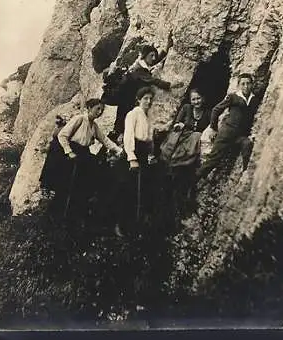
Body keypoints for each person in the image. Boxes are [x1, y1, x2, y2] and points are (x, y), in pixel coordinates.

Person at [39, 98, 122, 217]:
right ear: (89, 108)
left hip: (83, 152)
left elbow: (104, 140)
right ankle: (58, 213)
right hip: (70, 151)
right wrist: (69, 152)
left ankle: (86, 203)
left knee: (94, 171)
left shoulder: (94, 126)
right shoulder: (80, 119)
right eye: (97, 108)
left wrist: (119, 150)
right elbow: (62, 135)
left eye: (101, 110)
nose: (99, 112)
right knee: (65, 184)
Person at [197, 73, 259, 183]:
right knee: (213, 160)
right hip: (226, 133)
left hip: (239, 135)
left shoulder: (254, 99)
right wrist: (213, 128)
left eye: (248, 83)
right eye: (243, 84)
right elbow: (216, 110)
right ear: (239, 85)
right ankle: (192, 183)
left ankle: (245, 174)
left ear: (252, 85)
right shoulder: (233, 97)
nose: (246, 86)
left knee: (247, 144)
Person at [160, 89, 211, 221]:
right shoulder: (187, 108)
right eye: (194, 99)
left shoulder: (208, 113)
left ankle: (183, 209)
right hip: (181, 139)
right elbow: (176, 122)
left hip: (193, 144)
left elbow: (209, 129)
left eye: (198, 98)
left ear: (203, 98)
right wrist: (180, 125)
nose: (196, 101)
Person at [116, 86, 156, 234]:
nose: (149, 101)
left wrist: (151, 155)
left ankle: (137, 225)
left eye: (151, 98)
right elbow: (128, 136)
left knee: (142, 189)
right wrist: (132, 157)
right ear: (139, 99)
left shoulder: (148, 117)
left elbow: (149, 140)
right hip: (133, 153)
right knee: (128, 189)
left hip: (144, 154)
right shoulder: (133, 114)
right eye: (145, 98)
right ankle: (122, 225)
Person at [113, 44, 171, 135]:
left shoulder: (142, 64)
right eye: (151, 55)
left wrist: (166, 49)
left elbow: (154, 61)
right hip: (127, 101)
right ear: (145, 55)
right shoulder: (139, 69)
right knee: (121, 126)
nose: (153, 58)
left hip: (128, 99)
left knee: (123, 124)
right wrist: (168, 85)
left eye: (154, 55)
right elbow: (153, 80)